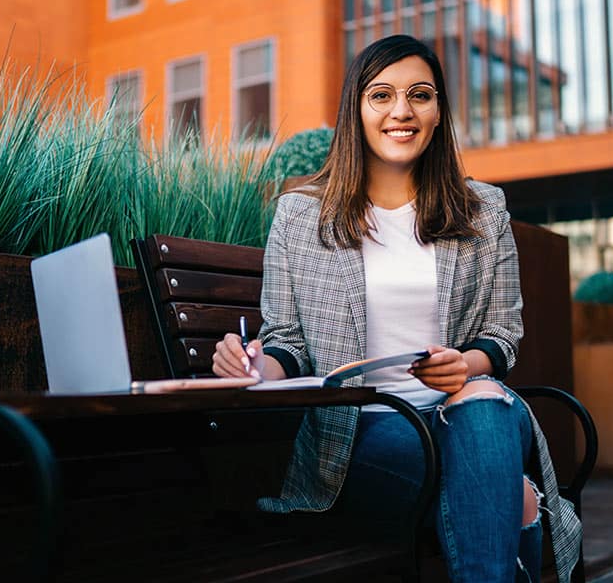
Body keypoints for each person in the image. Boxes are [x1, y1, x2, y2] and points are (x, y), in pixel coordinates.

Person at [212, 34, 581, 583]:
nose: (401, 111)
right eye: (381, 95)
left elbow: (502, 336)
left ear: (438, 113)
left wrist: (465, 365)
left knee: (481, 403)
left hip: (469, 414)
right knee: (516, 496)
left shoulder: (484, 211)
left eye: (420, 95)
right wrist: (250, 365)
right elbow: (286, 342)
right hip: (358, 434)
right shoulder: (300, 216)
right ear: (356, 110)